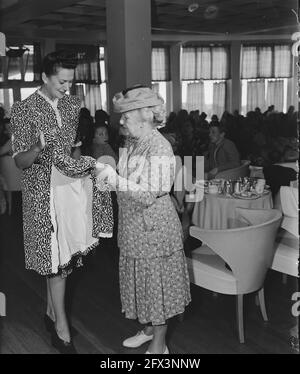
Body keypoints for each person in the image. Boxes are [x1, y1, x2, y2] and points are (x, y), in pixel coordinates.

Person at [10, 50, 113, 354]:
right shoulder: (24, 109)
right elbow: (19, 161)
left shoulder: (72, 104)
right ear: (44, 77)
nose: (67, 87)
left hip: (70, 190)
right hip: (43, 195)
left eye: (70, 81)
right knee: (55, 262)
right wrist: (39, 150)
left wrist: (84, 176)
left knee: (63, 259)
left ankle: (50, 312)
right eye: (61, 82)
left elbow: (74, 151)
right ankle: (61, 326)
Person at [97, 86, 191, 354]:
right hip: (134, 226)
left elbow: (149, 193)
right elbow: (129, 181)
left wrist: (113, 178)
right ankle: (149, 330)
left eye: (126, 115)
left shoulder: (160, 146)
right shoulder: (133, 142)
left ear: (144, 114)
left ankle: (159, 346)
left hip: (154, 230)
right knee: (144, 284)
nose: (121, 121)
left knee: (157, 287)